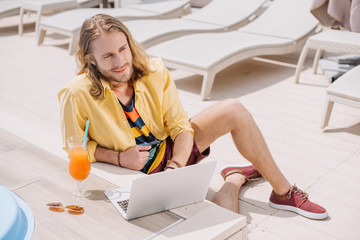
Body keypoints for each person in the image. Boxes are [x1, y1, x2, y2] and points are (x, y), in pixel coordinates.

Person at [58, 14, 328, 220]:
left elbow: (179, 125)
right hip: (136, 173)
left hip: (171, 154)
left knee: (233, 108)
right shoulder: (76, 94)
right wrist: (119, 157)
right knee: (218, 221)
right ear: (91, 59)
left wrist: (175, 168)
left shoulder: (154, 70)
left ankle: (283, 193)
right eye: (108, 55)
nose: (120, 61)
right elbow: (74, 148)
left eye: (123, 49)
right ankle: (234, 178)